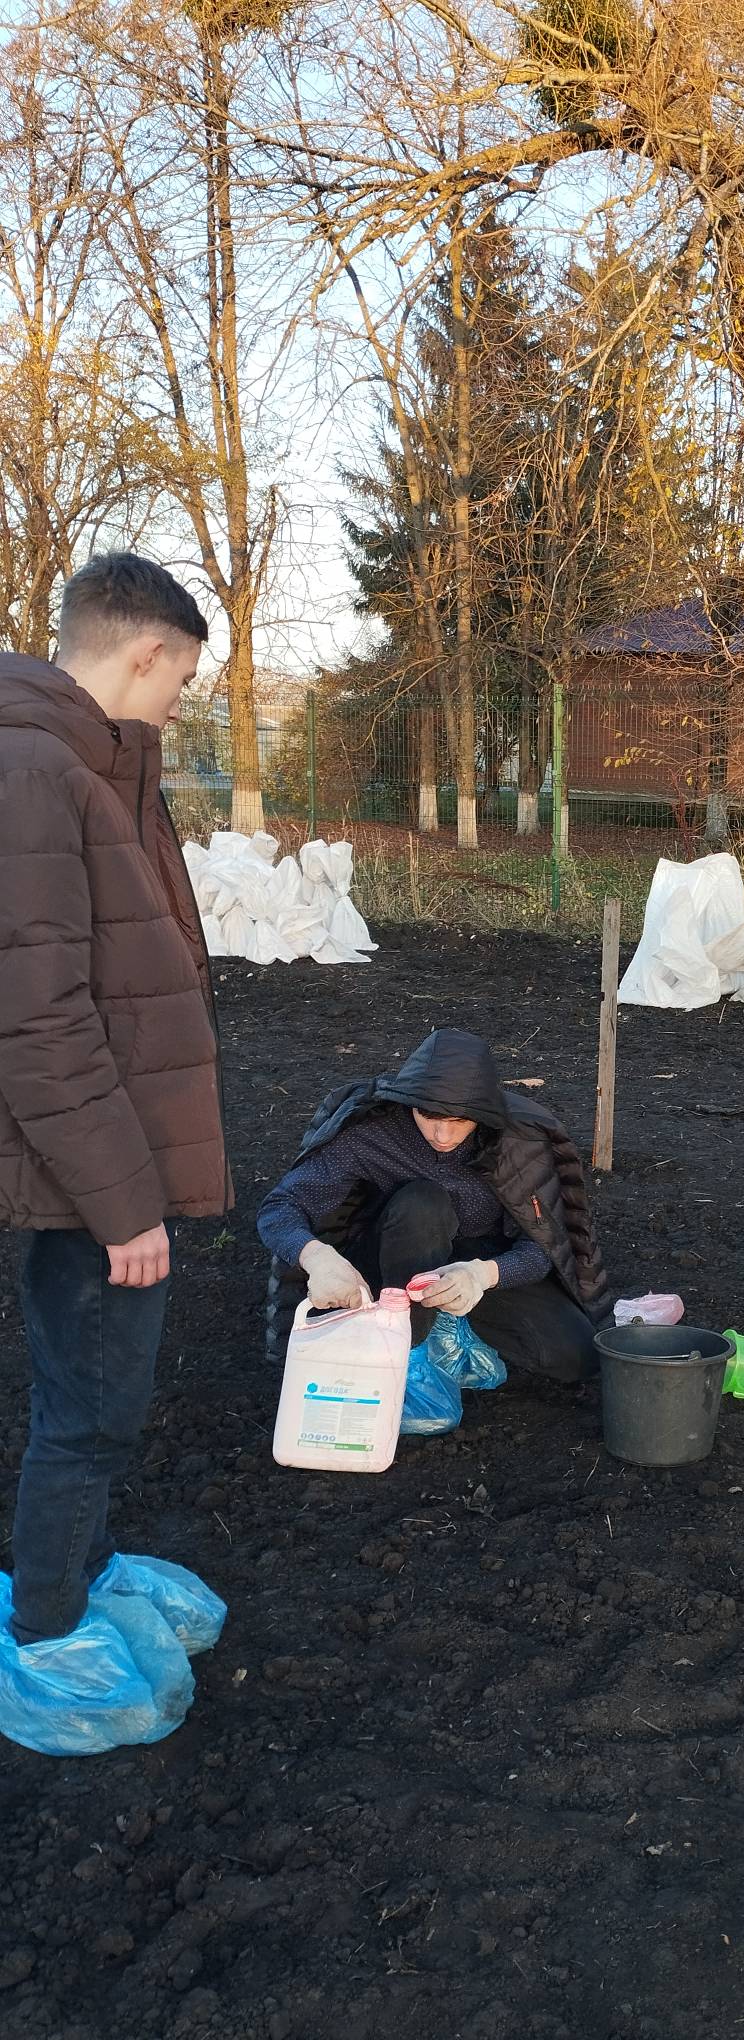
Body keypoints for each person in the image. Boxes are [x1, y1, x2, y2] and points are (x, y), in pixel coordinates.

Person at [0, 552, 229, 1752]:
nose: (182, 705)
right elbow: (37, 1020)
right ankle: (44, 1633)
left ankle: (77, 1575)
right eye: (183, 679)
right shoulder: (34, 768)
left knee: (97, 1395)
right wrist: (124, 1204)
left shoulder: (91, 764)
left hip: (114, 1169)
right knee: (87, 1410)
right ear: (142, 653)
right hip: (93, 1185)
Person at [259, 1027, 611, 1394]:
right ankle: (405, 1355)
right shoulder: (374, 1132)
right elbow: (281, 1206)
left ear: (483, 1116)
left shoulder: (515, 1144)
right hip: (392, 1263)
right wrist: (318, 1259)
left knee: (579, 1355)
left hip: (468, 1267)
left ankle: (456, 1330)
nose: (442, 1135)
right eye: (429, 1117)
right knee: (424, 1203)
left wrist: (484, 1275)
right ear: (410, 1102)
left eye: (458, 1121)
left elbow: (542, 1247)